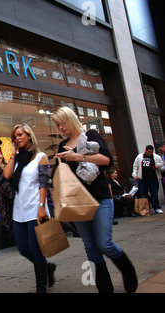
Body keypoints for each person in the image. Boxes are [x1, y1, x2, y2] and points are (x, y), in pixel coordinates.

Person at [52, 106, 137, 293]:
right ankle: (105, 289)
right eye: (57, 125)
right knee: (90, 247)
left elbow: (108, 161)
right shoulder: (62, 145)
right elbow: (62, 174)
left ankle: (127, 269)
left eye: (63, 122)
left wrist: (78, 156)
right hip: (78, 202)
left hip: (100, 199)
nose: (61, 127)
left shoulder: (89, 135)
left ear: (71, 119)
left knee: (104, 243)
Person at [3, 123, 55, 293]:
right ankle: (47, 268)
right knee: (23, 249)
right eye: (15, 137)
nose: (17, 139)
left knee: (35, 249)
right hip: (19, 210)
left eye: (20, 135)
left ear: (29, 135)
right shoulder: (18, 159)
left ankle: (41, 287)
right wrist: (12, 155)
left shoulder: (41, 157)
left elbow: (44, 183)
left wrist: (41, 207)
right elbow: (7, 175)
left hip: (35, 208)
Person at [132, 145, 164, 214]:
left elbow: (161, 162)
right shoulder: (139, 157)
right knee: (143, 193)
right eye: (149, 152)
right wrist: (134, 174)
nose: (150, 153)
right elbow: (135, 166)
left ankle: (156, 207)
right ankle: (148, 205)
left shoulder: (156, 157)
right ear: (145, 150)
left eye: (151, 152)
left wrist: (158, 165)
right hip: (143, 179)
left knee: (154, 193)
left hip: (153, 178)